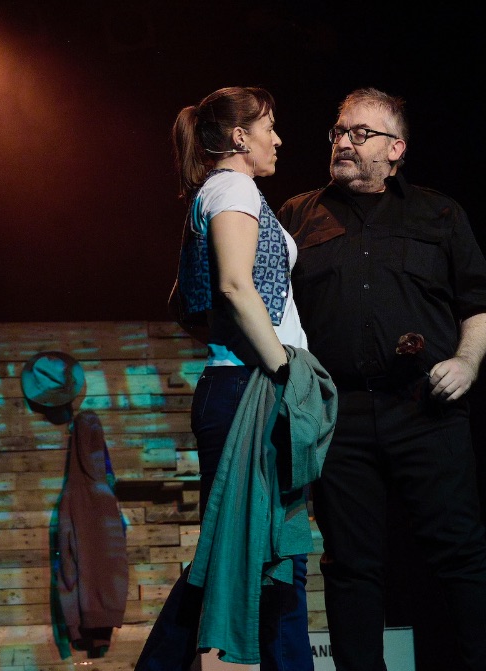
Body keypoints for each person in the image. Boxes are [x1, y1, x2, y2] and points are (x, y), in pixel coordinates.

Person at [276, 87, 486, 671]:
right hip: (339, 416)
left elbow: (481, 301)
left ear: (395, 149)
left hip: (425, 407)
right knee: (350, 566)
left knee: (461, 553)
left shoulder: (438, 213)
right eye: (339, 131)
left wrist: (467, 362)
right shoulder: (297, 216)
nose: (344, 142)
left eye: (361, 133)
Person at [136, 86, 337, 670]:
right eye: (269, 127)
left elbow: (185, 304)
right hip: (253, 386)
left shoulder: (220, 192)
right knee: (245, 557)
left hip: (243, 384)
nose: (278, 139)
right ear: (240, 137)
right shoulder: (234, 188)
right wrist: (282, 368)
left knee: (271, 559)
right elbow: (231, 285)